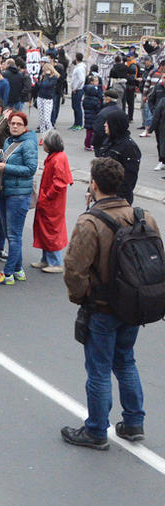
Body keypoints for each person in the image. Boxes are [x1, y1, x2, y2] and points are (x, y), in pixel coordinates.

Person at [61, 158, 157, 450]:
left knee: (99, 368)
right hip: (134, 303)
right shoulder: (144, 216)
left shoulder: (91, 221)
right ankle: (133, 421)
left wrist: (82, 298)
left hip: (102, 306)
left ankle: (96, 430)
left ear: (93, 184)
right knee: (125, 360)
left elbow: (75, 269)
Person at [0, 110, 37, 286]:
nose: (14, 126)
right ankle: (18, 270)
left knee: (14, 235)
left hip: (19, 194)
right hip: (6, 191)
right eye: (12, 123)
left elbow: (30, 169)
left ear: (25, 126)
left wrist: (4, 167)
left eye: (18, 124)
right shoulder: (8, 140)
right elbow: (7, 159)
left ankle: (7, 274)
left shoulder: (28, 144)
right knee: (10, 233)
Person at [31, 129, 72, 274]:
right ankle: (46, 259)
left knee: (51, 231)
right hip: (48, 201)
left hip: (52, 203)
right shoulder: (55, 156)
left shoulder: (58, 158)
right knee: (44, 229)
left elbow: (59, 183)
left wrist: (46, 196)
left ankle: (55, 262)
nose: (42, 145)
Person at [70, 52, 87, 131]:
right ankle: (76, 123)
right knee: (74, 107)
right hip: (76, 89)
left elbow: (81, 80)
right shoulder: (78, 67)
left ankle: (79, 124)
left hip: (77, 90)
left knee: (77, 107)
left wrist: (75, 88)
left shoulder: (79, 68)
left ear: (76, 58)